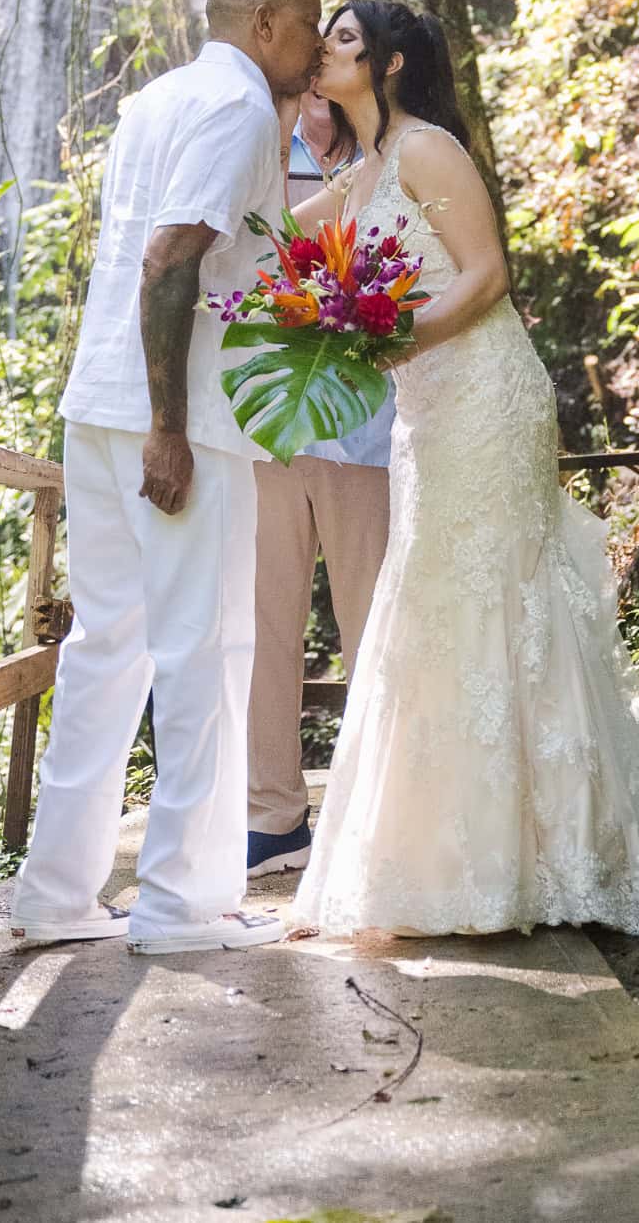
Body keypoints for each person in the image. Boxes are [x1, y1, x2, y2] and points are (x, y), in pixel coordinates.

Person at [290, 0, 639, 938]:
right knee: (434, 600)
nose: (327, 48)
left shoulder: (428, 149)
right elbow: (273, 230)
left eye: (346, 39)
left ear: (392, 64)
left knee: (500, 593)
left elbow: (487, 276)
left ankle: (559, 854)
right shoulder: (359, 172)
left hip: (485, 395)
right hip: (424, 412)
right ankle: (449, 860)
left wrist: (393, 336)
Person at [10, 0, 324, 955]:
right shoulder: (236, 110)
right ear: (268, 22)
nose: (317, 51)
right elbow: (170, 257)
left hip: (97, 402)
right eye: (310, 28)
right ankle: (184, 910)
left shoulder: (157, 98)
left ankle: (55, 895)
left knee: (108, 646)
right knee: (205, 648)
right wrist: (170, 427)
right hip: (172, 417)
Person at [246, 87, 393, 879]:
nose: (318, 86)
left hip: (367, 429)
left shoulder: (399, 154)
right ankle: (271, 817)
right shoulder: (263, 150)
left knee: (373, 623)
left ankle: (377, 810)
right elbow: (240, 257)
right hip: (271, 426)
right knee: (265, 623)